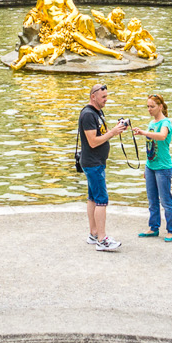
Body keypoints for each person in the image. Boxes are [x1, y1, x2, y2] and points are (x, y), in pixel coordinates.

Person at [78, 83, 126, 251]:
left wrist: (115, 129)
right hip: (93, 163)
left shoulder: (97, 113)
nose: (106, 99)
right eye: (103, 97)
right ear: (93, 96)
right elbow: (92, 142)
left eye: (107, 96)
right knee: (101, 200)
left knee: (92, 198)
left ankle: (93, 233)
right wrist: (112, 132)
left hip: (96, 162)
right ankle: (102, 239)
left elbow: (101, 135)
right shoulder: (88, 115)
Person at [136, 94, 172, 241]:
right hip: (151, 166)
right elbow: (149, 146)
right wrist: (147, 167)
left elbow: (162, 136)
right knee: (152, 200)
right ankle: (153, 227)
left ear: (160, 107)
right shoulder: (151, 123)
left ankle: (171, 230)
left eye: (152, 106)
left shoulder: (165, 123)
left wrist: (145, 132)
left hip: (163, 167)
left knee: (165, 200)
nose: (149, 109)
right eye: (147, 106)